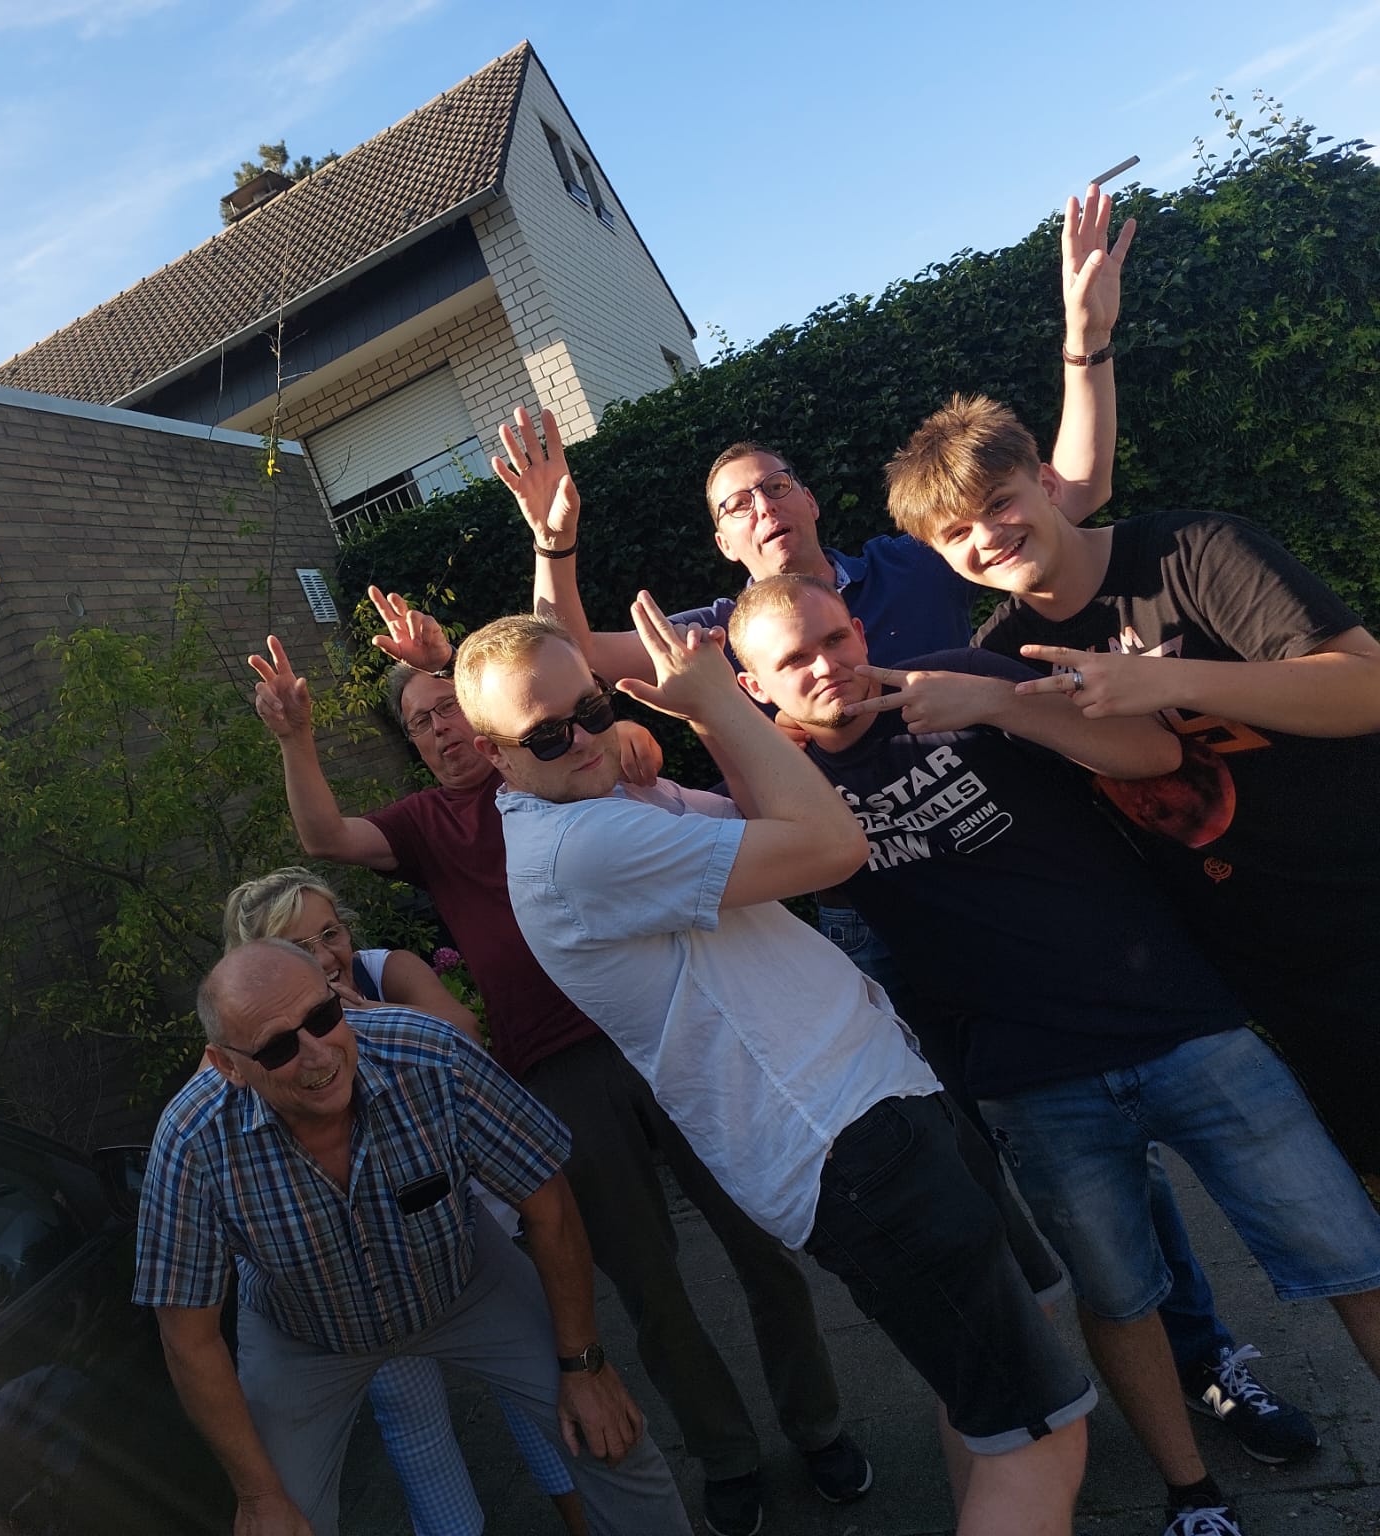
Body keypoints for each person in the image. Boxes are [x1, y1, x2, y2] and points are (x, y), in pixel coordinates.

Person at [461, 180, 1311, 1467]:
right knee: (998, 1163)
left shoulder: (906, 563)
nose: (760, 506)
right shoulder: (713, 639)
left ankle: (1200, 1364)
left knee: (1108, 1146)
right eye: (732, 502)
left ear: (811, 500)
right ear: (720, 543)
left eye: (773, 484)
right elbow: (559, 663)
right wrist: (553, 540)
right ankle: (1029, 1398)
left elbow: (1071, 488)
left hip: (1022, 893)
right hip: (870, 924)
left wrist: (1083, 343)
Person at [727, 573, 1380, 1534]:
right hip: (1032, 1081)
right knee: (1119, 1298)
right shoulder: (783, 785)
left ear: (860, 628)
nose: (828, 666)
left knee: (1353, 1254)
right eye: (795, 660)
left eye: (835, 638)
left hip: (1181, 1025)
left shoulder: (955, 675)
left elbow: (1152, 753)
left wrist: (994, 704)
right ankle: (1191, 1495)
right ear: (755, 689)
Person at [451, 602, 1092, 1536]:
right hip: (847, 1139)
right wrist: (718, 705)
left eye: (590, 710)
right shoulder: (584, 848)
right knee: (1044, 1436)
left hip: (872, 1103)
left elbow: (764, 815)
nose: (582, 740)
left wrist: (693, 730)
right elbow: (830, 847)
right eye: (546, 735)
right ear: (494, 755)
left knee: (992, 1413)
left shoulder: (602, 805)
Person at [248, 629, 869, 1536]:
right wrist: (295, 737)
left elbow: (560, 691)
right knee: (650, 1287)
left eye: (448, 708)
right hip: (560, 1074)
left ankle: (818, 1425)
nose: (439, 729)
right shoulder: (425, 825)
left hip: (664, 1031)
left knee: (757, 1242)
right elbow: (324, 836)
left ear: (488, 725)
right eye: (420, 723)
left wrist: (626, 733)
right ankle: (726, 1455)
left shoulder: (559, 769)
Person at [883, 391, 1380, 1190]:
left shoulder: (1193, 551)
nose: (987, 536)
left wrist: (1170, 679)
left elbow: (1367, 686)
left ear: (1048, 483)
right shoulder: (1003, 658)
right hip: (1263, 963)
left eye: (1000, 502)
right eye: (956, 532)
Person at [133, 939, 694, 1536]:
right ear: (227, 1066)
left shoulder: (430, 1056)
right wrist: (258, 1494)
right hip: (304, 1330)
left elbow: (547, 1202)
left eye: (323, 1016)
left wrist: (584, 1364)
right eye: (277, 1048)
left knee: (612, 1436)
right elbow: (188, 1338)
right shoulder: (192, 1141)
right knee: (280, 1521)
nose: (318, 1054)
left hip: (463, 1278)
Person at [222, 867, 588, 1536]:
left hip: (458, 1229)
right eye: (298, 947)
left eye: (329, 933)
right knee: (415, 1421)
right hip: (353, 1267)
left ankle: (580, 1519)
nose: (325, 956)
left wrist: (362, 1022)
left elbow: (463, 1033)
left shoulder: (383, 970)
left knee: (533, 1395)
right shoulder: (256, 1043)